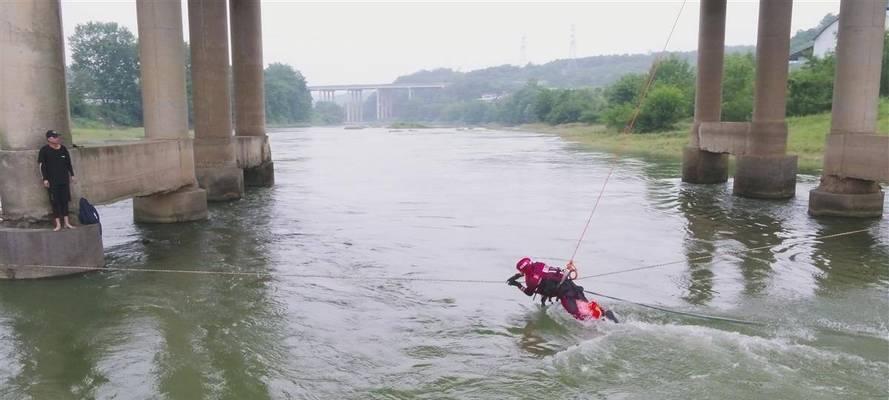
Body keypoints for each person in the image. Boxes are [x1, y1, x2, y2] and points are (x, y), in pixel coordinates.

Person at [508, 257, 618, 322]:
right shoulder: (539, 264)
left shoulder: (530, 281)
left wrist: (516, 284)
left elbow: (529, 292)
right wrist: (519, 275)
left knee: (579, 315)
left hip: (565, 294)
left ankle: (602, 324)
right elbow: (538, 274)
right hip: (570, 284)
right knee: (587, 304)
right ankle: (606, 314)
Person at [37, 130, 76, 232]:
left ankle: (67, 222)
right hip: (52, 181)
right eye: (55, 137)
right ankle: (58, 224)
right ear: (49, 139)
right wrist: (44, 179)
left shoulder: (63, 149)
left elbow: (68, 163)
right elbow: (42, 166)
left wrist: (72, 175)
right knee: (55, 202)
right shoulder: (44, 150)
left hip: (63, 179)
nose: (57, 138)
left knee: (65, 201)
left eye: (57, 136)